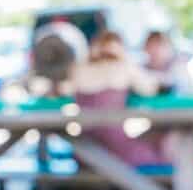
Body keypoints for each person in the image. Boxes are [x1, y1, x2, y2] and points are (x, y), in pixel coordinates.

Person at [70, 30, 169, 167]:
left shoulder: (78, 69)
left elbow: (61, 90)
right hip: (115, 149)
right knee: (160, 159)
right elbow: (150, 88)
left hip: (83, 150)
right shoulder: (124, 67)